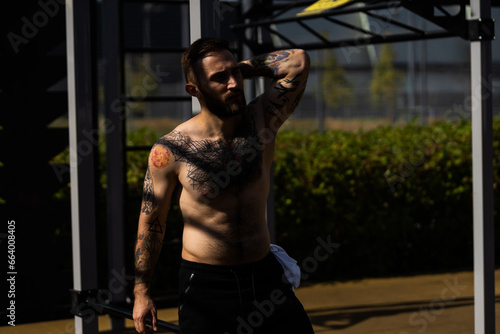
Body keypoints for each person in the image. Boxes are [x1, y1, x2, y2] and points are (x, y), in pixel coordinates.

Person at [133, 37, 312, 334]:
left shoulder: (262, 121)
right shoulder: (171, 150)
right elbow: (152, 222)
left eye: (235, 74)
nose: (233, 84)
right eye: (219, 78)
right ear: (194, 90)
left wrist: (239, 68)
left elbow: (298, 61)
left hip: (265, 276)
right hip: (207, 286)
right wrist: (141, 293)